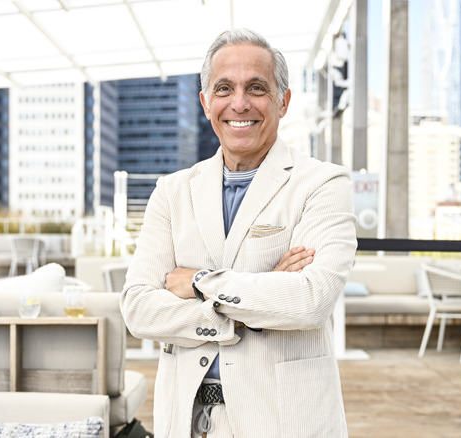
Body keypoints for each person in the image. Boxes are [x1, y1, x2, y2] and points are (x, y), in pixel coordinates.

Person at [120, 29, 357, 437]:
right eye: (224, 88)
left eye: (257, 88)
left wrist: (197, 283)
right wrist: (253, 305)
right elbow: (139, 308)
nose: (239, 103)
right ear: (205, 102)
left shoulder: (323, 184)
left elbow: (310, 300)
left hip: (283, 421)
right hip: (186, 419)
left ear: (283, 101)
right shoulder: (171, 192)